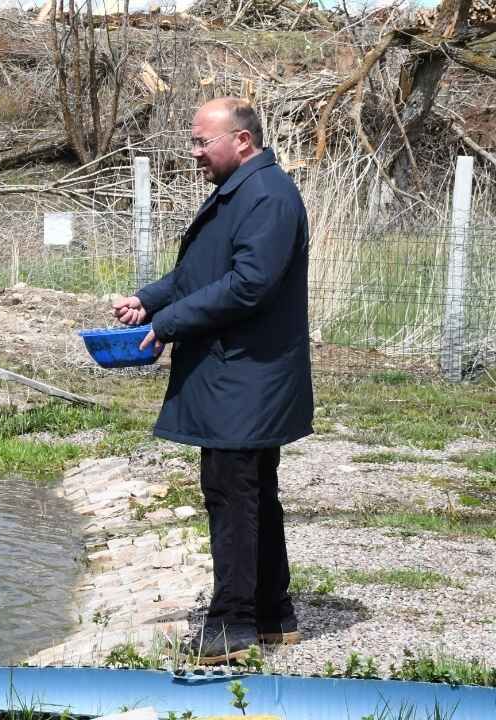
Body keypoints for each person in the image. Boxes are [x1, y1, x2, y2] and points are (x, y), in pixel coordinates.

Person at [112, 97, 313, 665]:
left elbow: (247, 285)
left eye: (203, 142)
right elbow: (200, 273)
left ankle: (232, 626)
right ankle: (273, 614)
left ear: (242, 141)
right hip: (238, 375)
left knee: (232, 496)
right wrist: (150, 301)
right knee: (252, 494)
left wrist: (168, 324)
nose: (195, 153)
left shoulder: (268, 197)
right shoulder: (241, 190)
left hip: (248, 377)